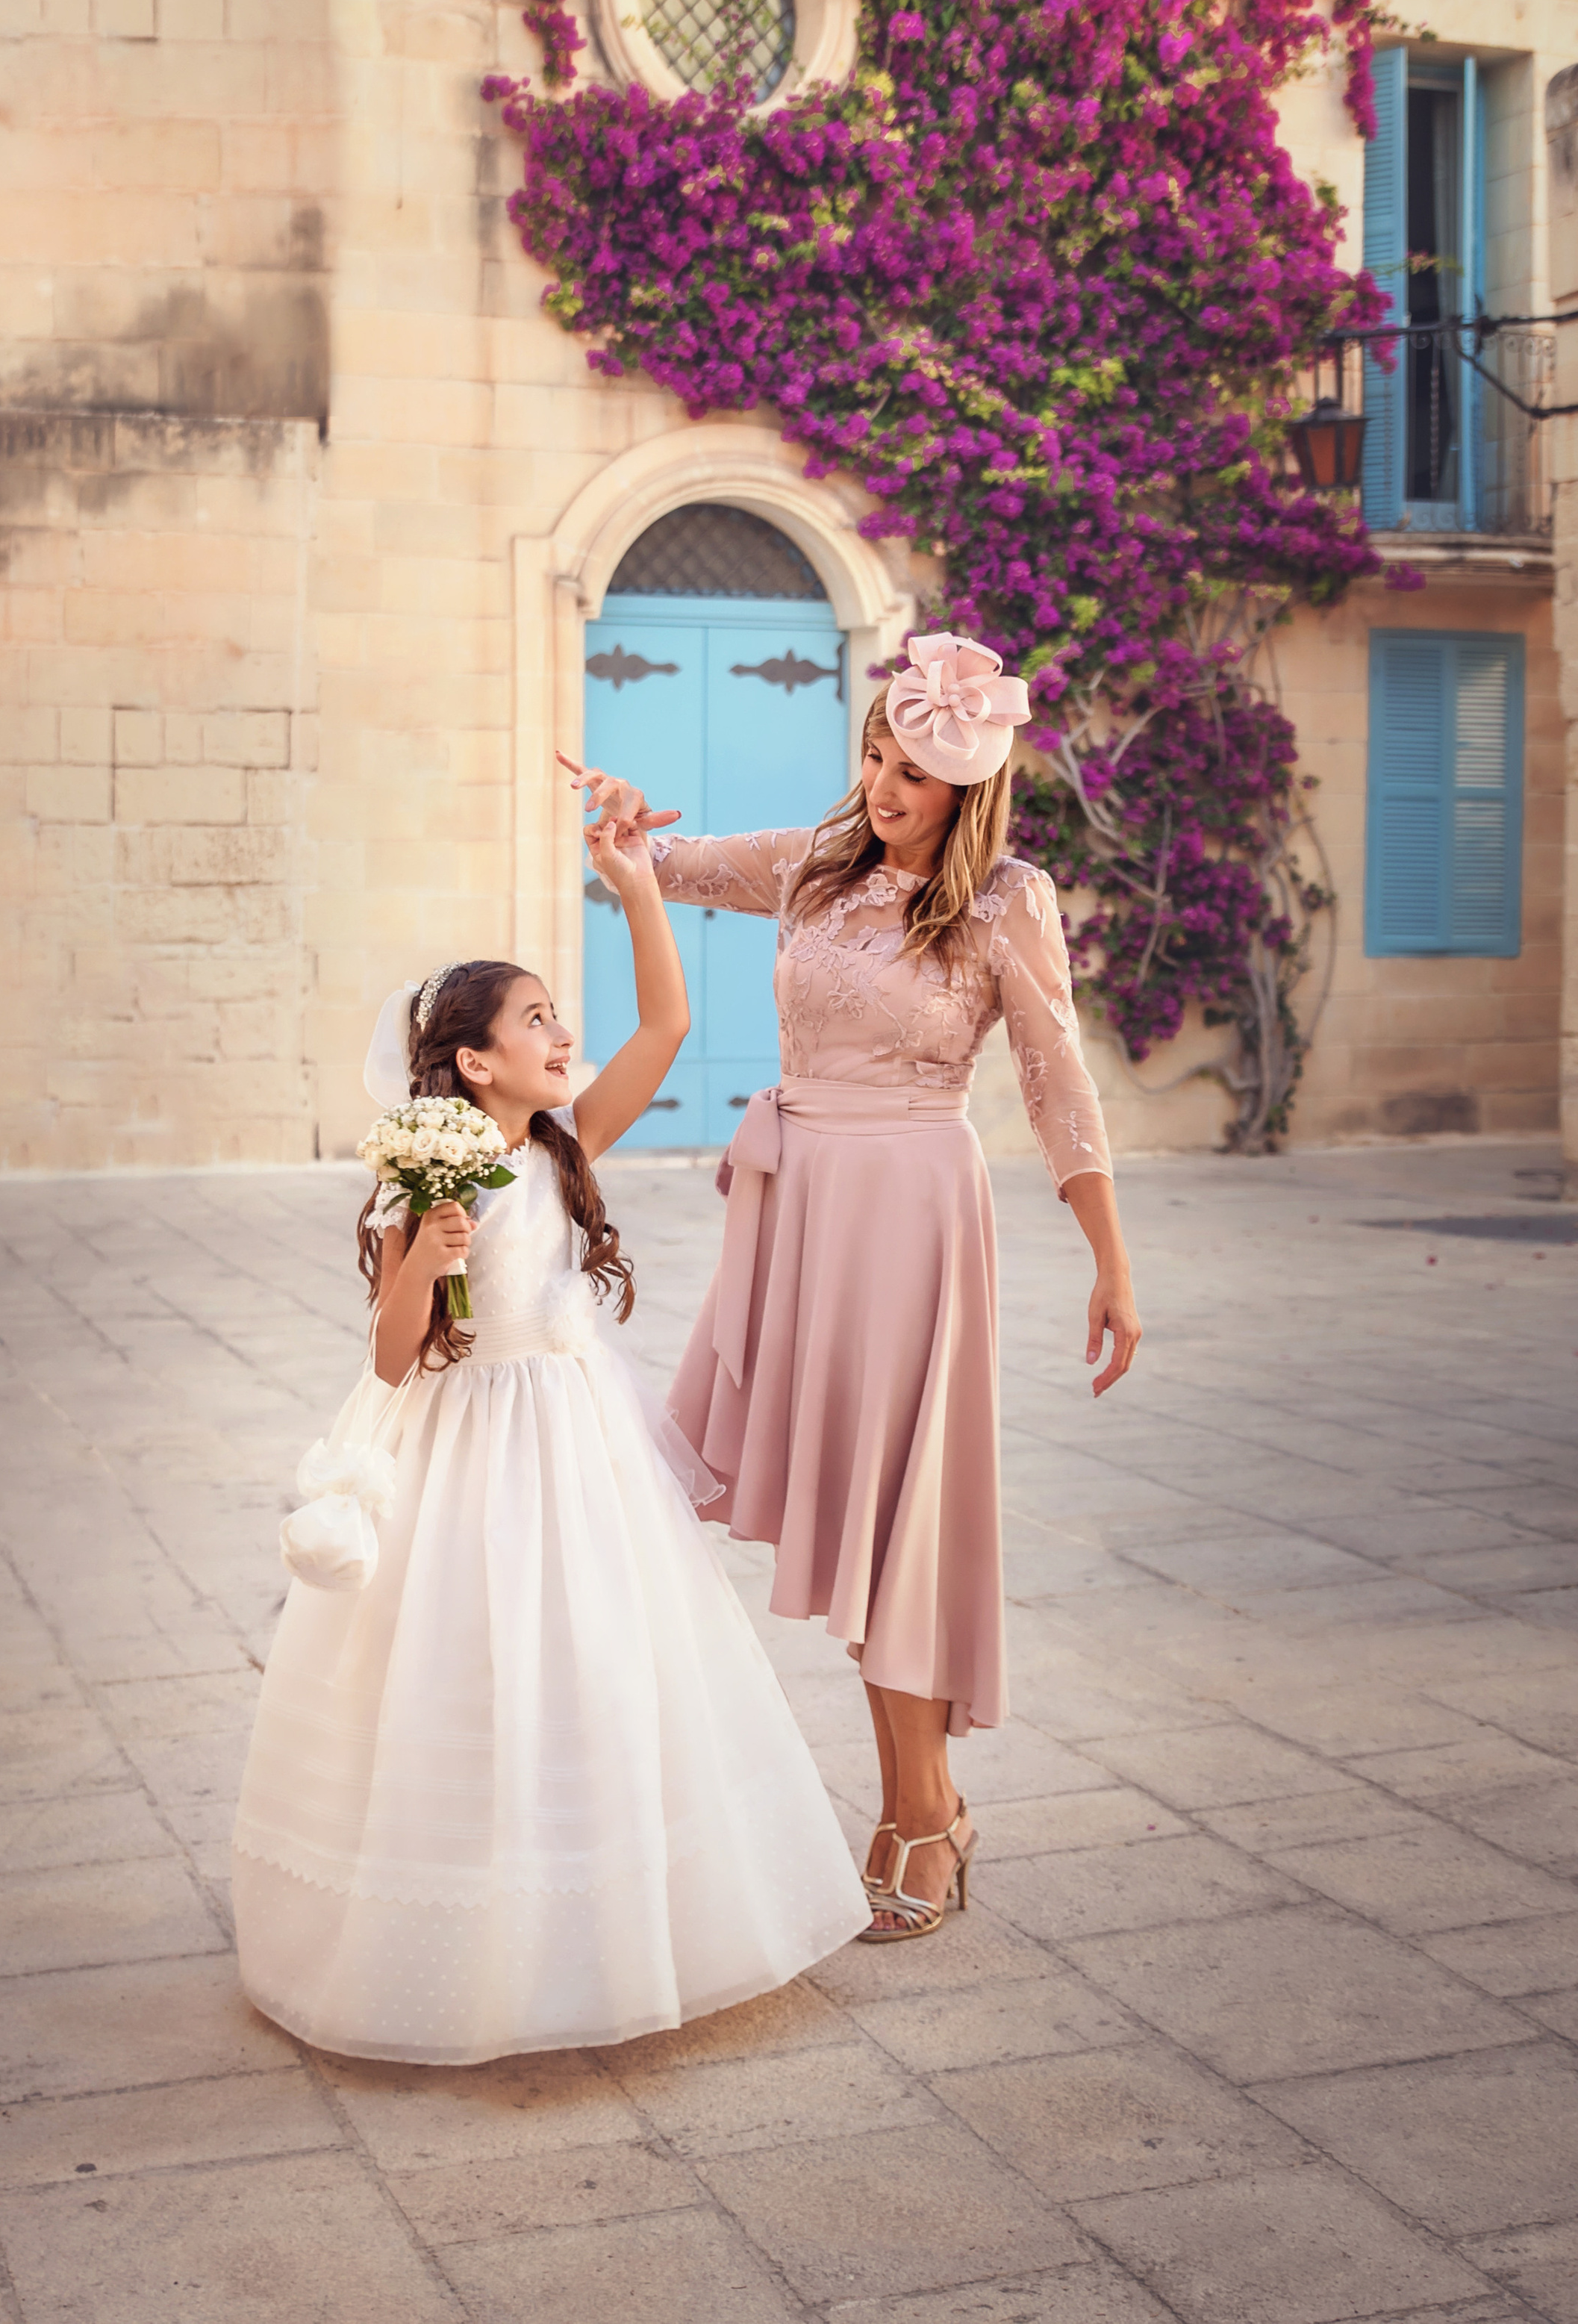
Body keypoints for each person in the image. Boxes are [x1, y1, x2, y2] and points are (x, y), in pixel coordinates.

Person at [231, 809, 870, 2065]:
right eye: (532, 1021)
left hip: (579, 1444)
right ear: (473, 1066)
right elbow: (391, 1350)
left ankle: (607, 1919)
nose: (557, 1033)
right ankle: (471, 1932)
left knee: (601, 1657)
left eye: (551, 1016)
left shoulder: (571, 1145)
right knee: (472, 1664)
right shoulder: (442, 1172)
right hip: (469, 1447)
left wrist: (637, 887)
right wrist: (427, 1248)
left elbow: (668, 1028)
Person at [564, 631, 1142, 1943]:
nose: (884, 783)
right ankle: (916, 1806)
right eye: (878, 751)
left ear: (970, 785)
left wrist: (1111, 1258)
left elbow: (1058, 1080)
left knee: (896, 1524)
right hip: (799, 1206)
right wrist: (619, 823)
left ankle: (924, 1810)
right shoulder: (815, 865)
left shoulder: (1007, 899)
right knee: (850, 1517)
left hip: (912, 1214)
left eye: (916, 769)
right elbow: (664, 862)